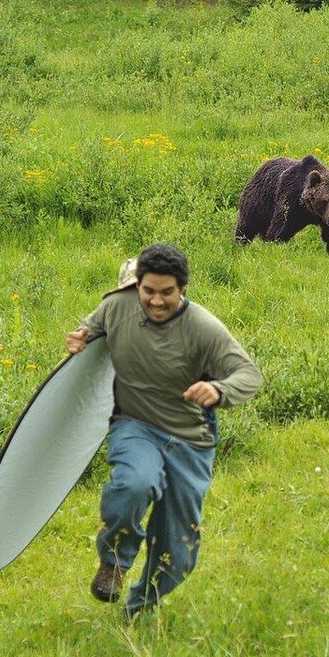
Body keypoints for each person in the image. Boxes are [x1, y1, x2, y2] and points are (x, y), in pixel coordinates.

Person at [65, 243, 262, 616]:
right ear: (137, 285)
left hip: (191, 441)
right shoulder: (116, 307)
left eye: (166, 292)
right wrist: (80, 338)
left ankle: (138, 609)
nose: (156, 301)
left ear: (183, 289)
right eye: (148, 291)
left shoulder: (203, 328)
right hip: (135, 424)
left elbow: (250, 376)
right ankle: (115, 562)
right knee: (133, 483)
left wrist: (218, 389)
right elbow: (89, 330)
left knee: (178, 550)